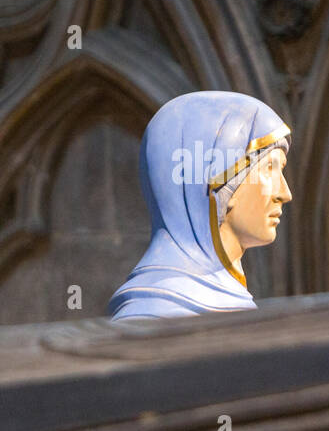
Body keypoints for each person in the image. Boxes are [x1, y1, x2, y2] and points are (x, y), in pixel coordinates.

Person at [108, 91, 292, 320]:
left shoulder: (224, 300)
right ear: (220, 178)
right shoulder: (153, 318)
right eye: (269, 168)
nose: (285, 194)